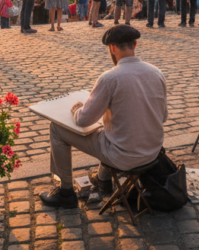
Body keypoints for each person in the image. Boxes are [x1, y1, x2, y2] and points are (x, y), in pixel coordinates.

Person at [39, 25, 167, 208]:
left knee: (57, 129)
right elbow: (162, 117)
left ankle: (65, 191)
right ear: (135, 44)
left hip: (123, 156)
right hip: (153, 153)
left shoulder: (110, 78)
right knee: (109, 129)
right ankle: (103, 180)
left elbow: (83, 120)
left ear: (112, 48)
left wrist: (77, 109)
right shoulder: (157, 72)